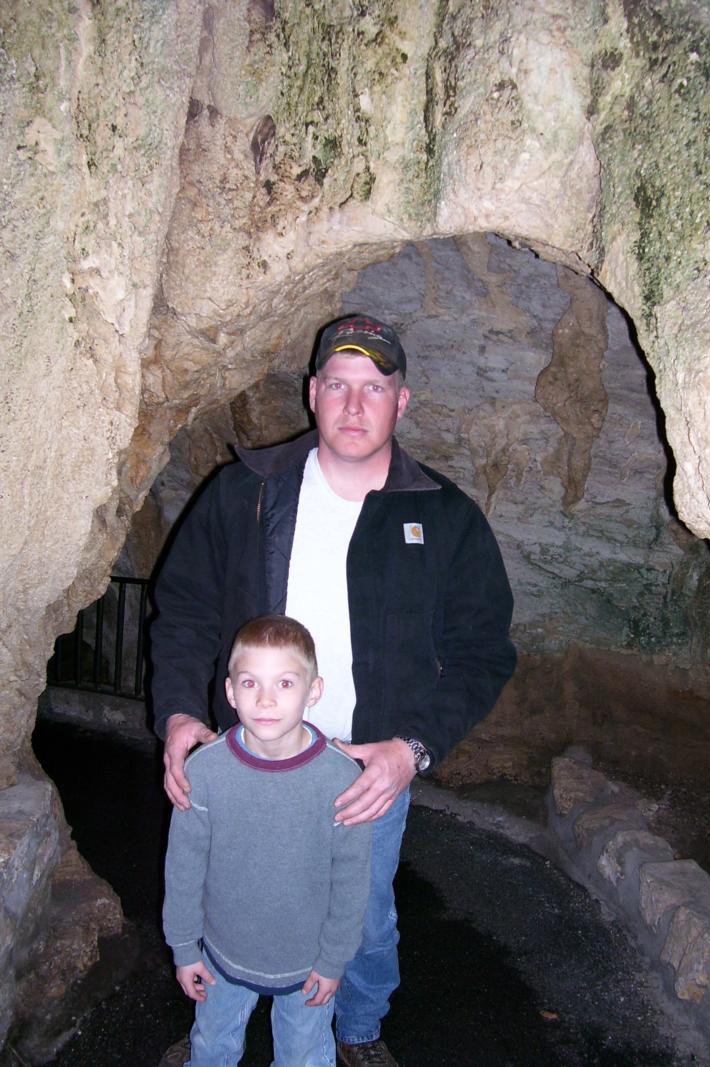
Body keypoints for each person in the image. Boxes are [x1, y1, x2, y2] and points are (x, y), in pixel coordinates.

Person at [151, 314, 517, 1067]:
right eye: (340, 387)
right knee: (228, 895)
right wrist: (182, 712)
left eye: (374, 389)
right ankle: (215, 1033)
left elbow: (483, 653)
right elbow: (183, 607)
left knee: (366, 915)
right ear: (313, 393)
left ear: (402, 402)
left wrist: (409, 752)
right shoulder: (247, 492)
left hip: (361, 770)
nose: (355, 406)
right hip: (242, 755)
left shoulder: (444, 519)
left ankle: (356, 1028)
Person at [163, 614, 372, 1067]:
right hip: (221, 956)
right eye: (251, 683)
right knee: (211, 1048)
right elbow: (183, 869)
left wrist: (334, 960)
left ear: (313, 691)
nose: (266, 699)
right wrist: (184, 948)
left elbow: (352, 881)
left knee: (303, 1058)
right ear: (230, 692)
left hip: (307, 964)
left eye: (285, 683)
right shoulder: (204, 772)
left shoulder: (341, 779)